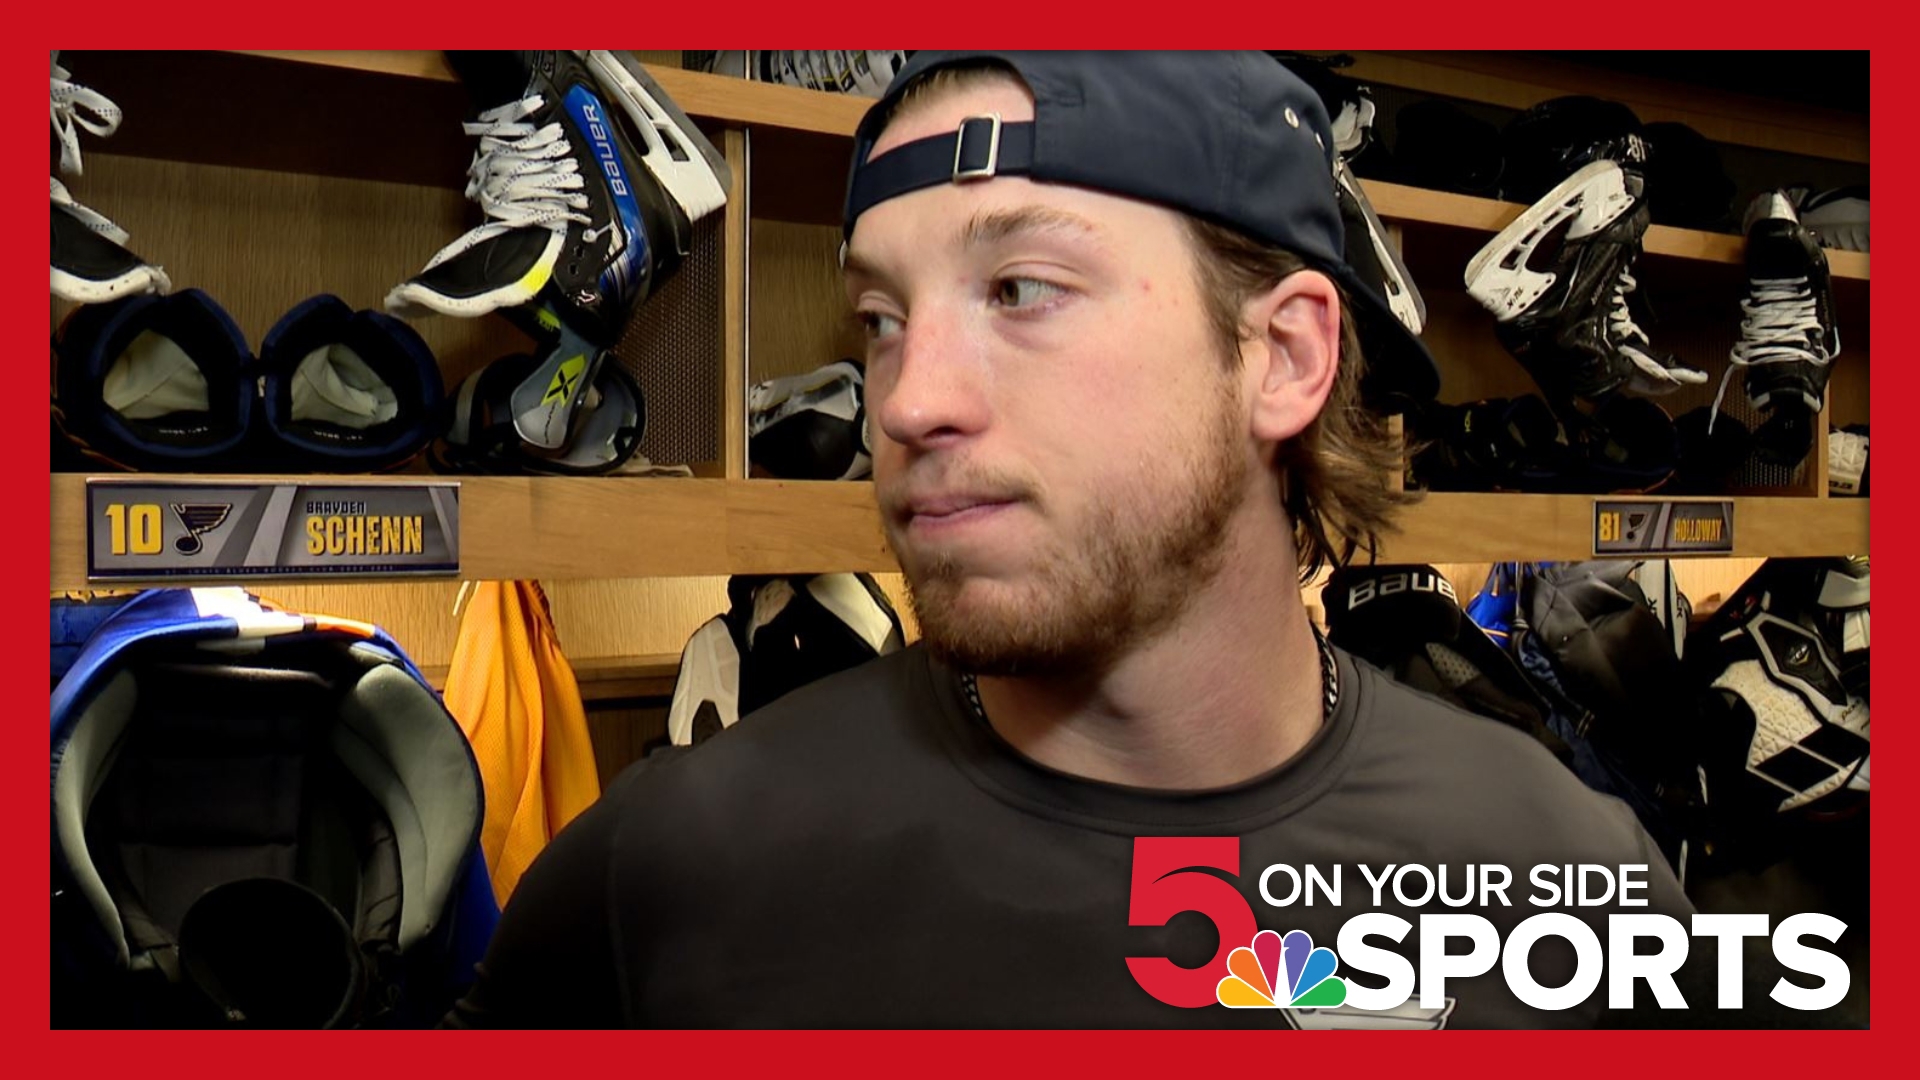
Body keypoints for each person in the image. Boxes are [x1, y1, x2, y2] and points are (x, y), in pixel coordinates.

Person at [446, 51, 1714, 1030]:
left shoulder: (1565, 883)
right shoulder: (669, 871)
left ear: (1282, 357)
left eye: (1021, 291)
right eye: (882, 316)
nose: (904, 398)